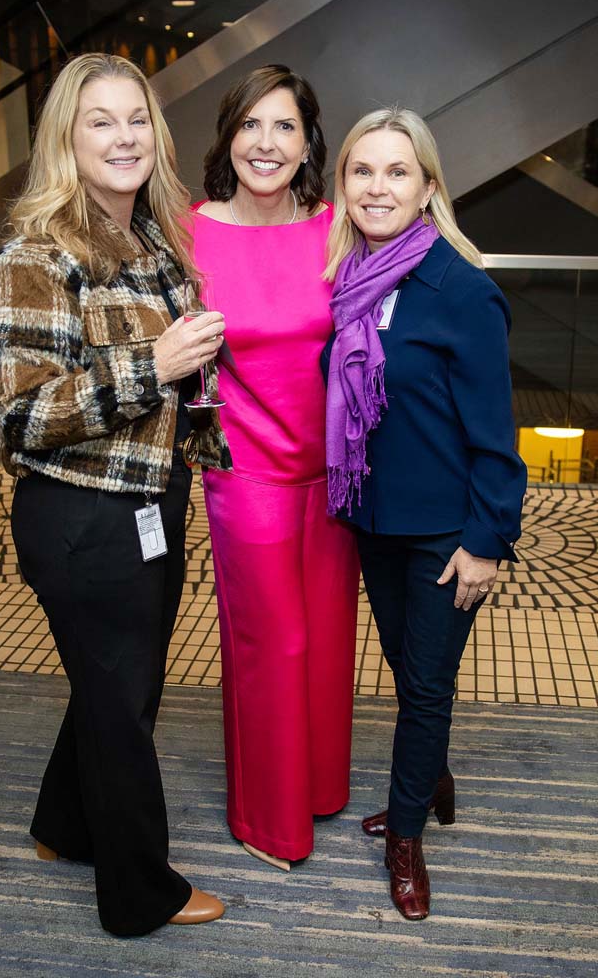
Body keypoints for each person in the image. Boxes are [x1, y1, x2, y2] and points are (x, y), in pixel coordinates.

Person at [0, 53, 232, 937]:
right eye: (100, 121)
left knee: (112, 688)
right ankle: (137, 895)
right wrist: (152, 364)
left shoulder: (154, 236)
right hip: (84, 517)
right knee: (125, 708)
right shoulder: (34, 255)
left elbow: (182, 376)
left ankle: (61, 826)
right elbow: (21, 415)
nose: (123, 137)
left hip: (151, 502)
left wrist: (200, 392)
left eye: (136, 120)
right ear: (66, 139)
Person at [322, 108, 526, 919]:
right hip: (373, 518)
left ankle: (405, 840)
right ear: (344, 185)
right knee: (408, 674)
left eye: (397, 172)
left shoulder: (463, 289)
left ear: (428, 187)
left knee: (427, 691)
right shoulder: (345, 282)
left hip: (447, 532)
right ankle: (429, 779)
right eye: (362, 171)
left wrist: (487, 542)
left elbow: (497, 435)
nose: (378, 187)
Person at [190, 64, 360, 870]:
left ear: (307, 141)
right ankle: (269, 819)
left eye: (284, 126)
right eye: (250, 124)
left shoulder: (337, 227)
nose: (266, 142)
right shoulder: (189, 233)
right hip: (245, 471)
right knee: (274, 645)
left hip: (335, 474)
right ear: (229, 136)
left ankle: (321, 789)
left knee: (327, 639)